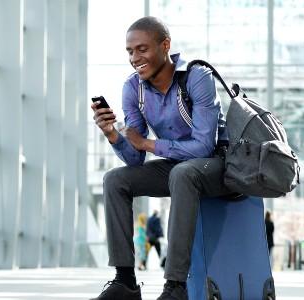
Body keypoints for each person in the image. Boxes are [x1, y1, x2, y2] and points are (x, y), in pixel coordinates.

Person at [90, 16, 231, 300]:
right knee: (115, 180)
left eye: (142, 49)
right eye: (130, 51)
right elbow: (134, 160)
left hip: (216, 166)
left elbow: (204, 146)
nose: (134, 58)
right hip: (179, 168)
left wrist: (149, 144)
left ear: (165, 45)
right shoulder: (133, 89)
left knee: (183, 173)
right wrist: (113, 136)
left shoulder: (197, 77)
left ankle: (175, 287)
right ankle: (125, 281)